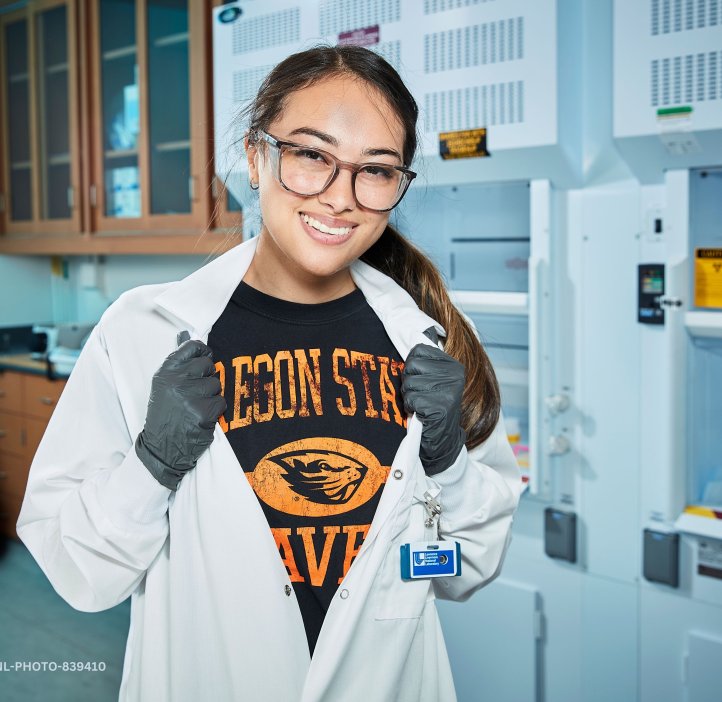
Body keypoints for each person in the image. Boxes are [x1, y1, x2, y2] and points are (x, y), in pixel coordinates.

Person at [17, 45, 521, 701]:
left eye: (376, 170)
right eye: (313, 156)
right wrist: (152, 465)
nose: (341, 198)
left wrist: (450, 461)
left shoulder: (433, 338)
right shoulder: (140, 333)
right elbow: (80, 569)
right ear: (257, 157)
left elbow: (465, 567)